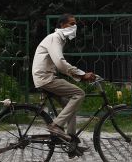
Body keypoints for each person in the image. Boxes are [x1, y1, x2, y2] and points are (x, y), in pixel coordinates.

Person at [32, 14, 96, 154]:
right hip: (46, 78)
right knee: (79, 93)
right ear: (62, 25)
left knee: (70, 106)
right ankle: (56, 125)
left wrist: (80, 75)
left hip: (46, 77)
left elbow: (59, 65)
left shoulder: (60, 40)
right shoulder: (55, 38)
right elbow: (60, 63)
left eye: (75, 24)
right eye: (71, 24)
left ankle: (71, 142)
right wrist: (82, 74)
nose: (74, 27)